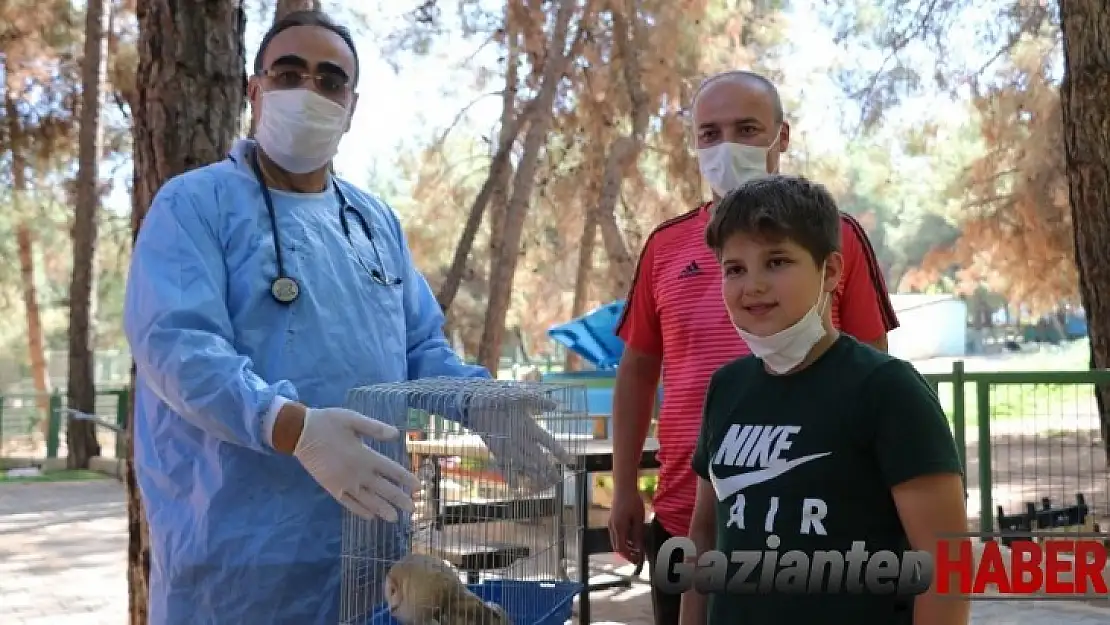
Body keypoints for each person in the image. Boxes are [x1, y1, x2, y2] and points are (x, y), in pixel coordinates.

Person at [122, 11, 568, 625]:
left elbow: (418, 346)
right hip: (240, 562)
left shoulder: (372, 220)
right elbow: (178, 348)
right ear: (255, 90)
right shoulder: (195, 205)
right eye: (289, 73)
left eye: (330, 80)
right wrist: (294, 427)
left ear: (351, 106)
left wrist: (476, 400)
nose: (310, 90)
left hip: (372, 555)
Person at [607, 69, 901, 625]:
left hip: (813, 521)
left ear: (781, 137)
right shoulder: (665, 247)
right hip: (683, 517)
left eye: (746, 129)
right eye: (710, 134)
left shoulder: (835, 239)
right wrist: (625, 486)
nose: (726, 147)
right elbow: (639, 369)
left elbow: (874, 370)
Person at [681, 174, 969, 624]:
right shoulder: (726, 388)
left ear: (831, 271)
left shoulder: (888, 389)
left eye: (776, 261)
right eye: (734, 268)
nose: (752, 285)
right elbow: (703, 538)